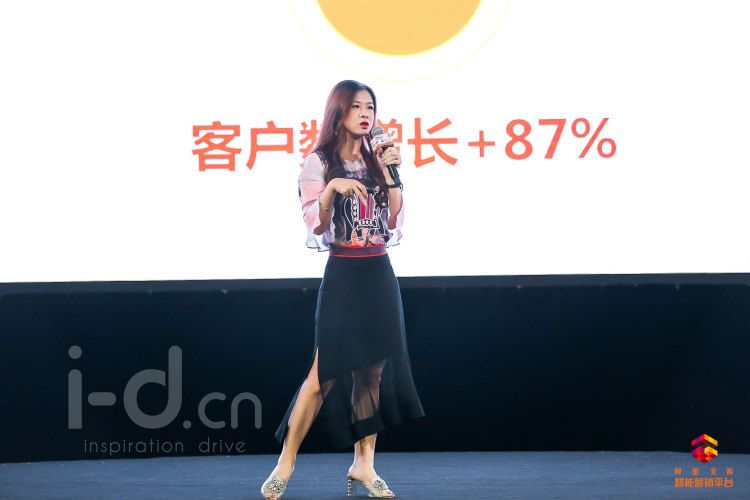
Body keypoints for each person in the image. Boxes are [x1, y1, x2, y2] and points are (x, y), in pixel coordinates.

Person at [260, 80, 425, 499]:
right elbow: (315, 224)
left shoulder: (378, 158)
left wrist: (391, 174)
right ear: (339, 111)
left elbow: (393, 219)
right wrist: (333, 188)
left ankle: (363, 464)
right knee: (323, 375)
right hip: (343, 275)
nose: (365, 114)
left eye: (370, 107)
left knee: (372, 374)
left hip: (378, 273)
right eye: (356, 106)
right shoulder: (319, 161)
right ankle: (285, 461)